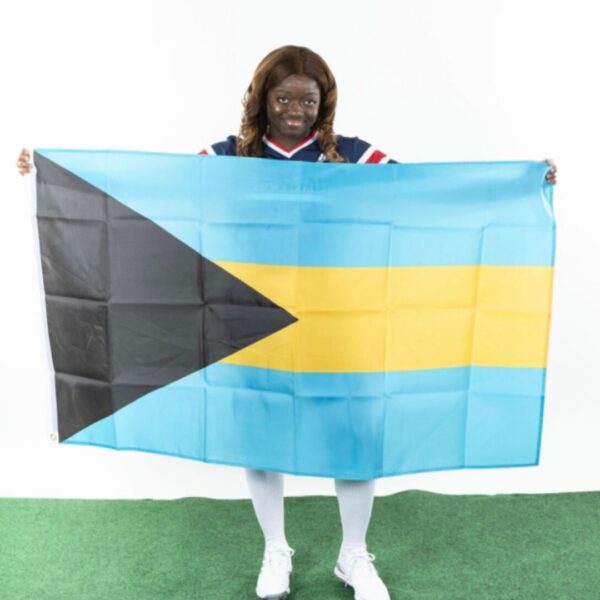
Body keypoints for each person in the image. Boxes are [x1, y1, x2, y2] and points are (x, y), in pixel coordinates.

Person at [17, 45, 558, 600]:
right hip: (253, 316)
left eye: (308, 99)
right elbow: (162, 194)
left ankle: (353, 555)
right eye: (283, 97)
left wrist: (524, 181)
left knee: (352, 432)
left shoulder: (352, 156)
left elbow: (422, 197)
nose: (295, 109)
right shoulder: (228, 155)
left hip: (342, 314)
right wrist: (56, 174)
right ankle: (275, 549)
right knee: (262, 433)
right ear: (261, 99)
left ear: (324, 103)